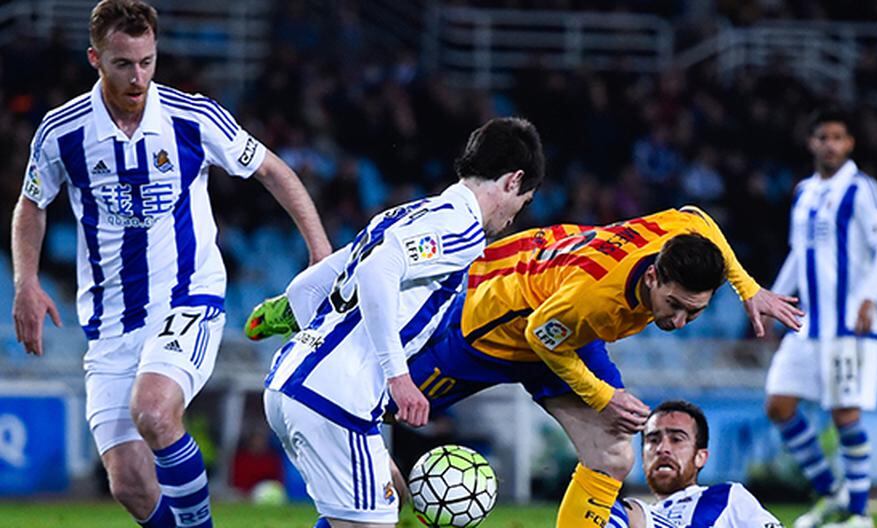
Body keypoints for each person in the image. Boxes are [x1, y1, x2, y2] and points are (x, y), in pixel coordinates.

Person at [253, 205, 803, 528]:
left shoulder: (681, 246)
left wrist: (747, 288)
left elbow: (698, 218)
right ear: (654, 277)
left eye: (695, 312)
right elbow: (544, 334)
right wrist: (603, 396)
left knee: (611, 453)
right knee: (362, 419)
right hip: (488, 324)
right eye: (675, 306)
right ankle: (305, 303)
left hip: (560, 325)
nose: (681, 320)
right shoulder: (597, 296)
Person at [10, 2, 331, 527]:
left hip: (187, 299)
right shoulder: (62, 132)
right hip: (110, 321)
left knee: (155, 411)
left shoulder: (192, 117)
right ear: (96, 58)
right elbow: (31, 204)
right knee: (130, 484)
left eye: (147, 62)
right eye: (123, 64)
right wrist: (26, 280)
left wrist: (318, 250)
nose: (138, 77)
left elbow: (273, 171)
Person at [262, 116, 544, 527]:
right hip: (333, 399)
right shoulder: (462, 228)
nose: (516, 216)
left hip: (290, 383)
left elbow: (305, 290)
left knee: (381, 506)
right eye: (525, 201)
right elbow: (379, 270)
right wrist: (397, 377)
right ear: (513, 181)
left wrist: (327, 359)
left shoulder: (402, 215)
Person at [764, 107, 877, 528]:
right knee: (779, 404)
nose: (831, 145)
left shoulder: (864, 190)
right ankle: (833, 494)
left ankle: (860, 514)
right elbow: (798, 256)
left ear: (850, 143)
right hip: (809, 326)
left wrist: (868, 298)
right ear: (812, 142)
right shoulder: (804, 191)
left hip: (847, 325)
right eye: (823, 137)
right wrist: (772, 300)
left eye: (839, 137)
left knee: (845, 414)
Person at [608, 400, 783, 528]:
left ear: (701, 457)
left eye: (676, 439)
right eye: (653, 440)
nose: (662, 448)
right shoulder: (642, 511)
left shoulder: (726, 497)